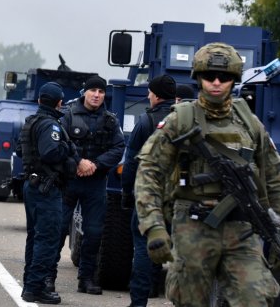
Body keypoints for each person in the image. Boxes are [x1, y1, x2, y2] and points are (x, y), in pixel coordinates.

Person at [135, 43, 280, 306]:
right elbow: (149, 172)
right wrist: (154, 227)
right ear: (198, 78)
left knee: (257, 298)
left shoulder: (250, 123)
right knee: (190, 299)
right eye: (209, 76)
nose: (216, 82)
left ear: (234, 79)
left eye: (224, 77)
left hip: (242, 229)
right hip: (193, 225)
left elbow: (273, 178)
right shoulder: (180, 119)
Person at [50, 75, 125, 294]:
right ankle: (48, 277)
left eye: (101, 92)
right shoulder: (67, 116)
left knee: (94, 233)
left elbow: (118, 148)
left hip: (95, 183)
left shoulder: (111, 120)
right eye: (93, 90)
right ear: (85, 92)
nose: (97, 95)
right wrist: (78, 163)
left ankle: (86, 279)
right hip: (69, 181)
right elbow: (59, 144)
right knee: (59, 229)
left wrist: (95, 164)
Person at [18, 82, 76, 304]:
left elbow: (20, 148)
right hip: (46, 188)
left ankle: (30, 284)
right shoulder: (50, 125)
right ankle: (35, 287)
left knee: (35, 237)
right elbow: (50, 152)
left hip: (34, 186)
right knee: (48, 239)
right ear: (59, 102)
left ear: (40, 100)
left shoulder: (32, 121)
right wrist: (67, 148)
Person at [120, 74, 176, 307]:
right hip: (180, 198)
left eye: (150, 92)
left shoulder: (146, 121)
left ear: (155, 95)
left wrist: (127, 194)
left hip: (149, 197)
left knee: (143, 248)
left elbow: (131, 161)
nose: (148, 96)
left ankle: (139, 302)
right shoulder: (188, 121)